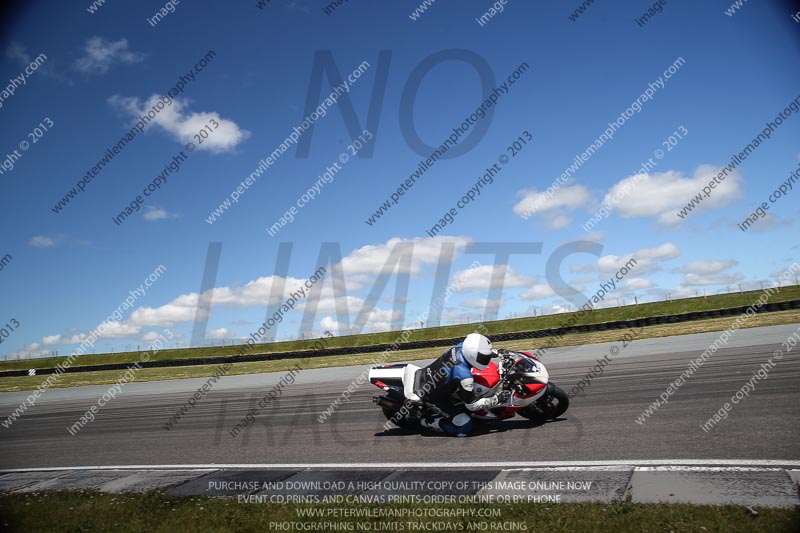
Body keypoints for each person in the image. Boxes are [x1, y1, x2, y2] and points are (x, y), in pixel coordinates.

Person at [416, 332, 509, 437]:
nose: (486, 360)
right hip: (432, 397)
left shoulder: (460, 347)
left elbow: (476, 351)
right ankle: (427, 422)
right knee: (465, 427)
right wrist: (496, 400)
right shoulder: (464, 375)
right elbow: (472, 405)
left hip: (427, 375)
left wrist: (496, 353)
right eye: (484, 358)